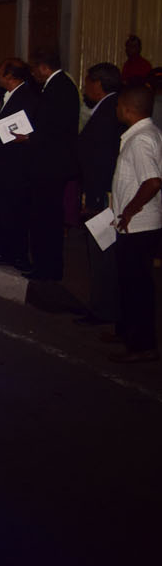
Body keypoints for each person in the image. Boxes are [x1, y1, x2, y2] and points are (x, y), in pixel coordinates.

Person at [108, 84, 162, 363]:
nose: (116, 110)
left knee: (138, 286)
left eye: (118, 106)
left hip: (138, 225)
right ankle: (128, 331)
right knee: (129, 282)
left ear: (128, 109)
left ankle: (142, 345)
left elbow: (152, 181)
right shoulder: (144, 133)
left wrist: (129, 210)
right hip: (135, 223)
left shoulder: (141, 139)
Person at [28, 50, 81, 281]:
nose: (32, 73)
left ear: (44, 67)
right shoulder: (60, 85)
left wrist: (28, 137)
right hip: (51, 164)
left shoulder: (58, 88)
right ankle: (45, 266)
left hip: (51, 165)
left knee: (46, 218)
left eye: (34, 68)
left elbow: (51, 129)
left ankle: (47, 269)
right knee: (45, 217)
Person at [77, 63, 122, 327]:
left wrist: (92, 199)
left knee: (103, 253)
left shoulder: (108, 112)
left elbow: (100, 160)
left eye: (88, 82)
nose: (85, 87)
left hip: (102, 196)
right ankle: (103, 306)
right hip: (102, 192)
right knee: (103, 253)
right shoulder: (108, 108)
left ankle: (103, 309)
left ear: (98, 84)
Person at [0, 58, 39, 271]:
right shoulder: (9, 96)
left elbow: (26, 131)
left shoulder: (27, 97)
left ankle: (17, 254)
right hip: (2, 165)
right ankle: (5, 250)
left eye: (1, 72)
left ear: (11, 76)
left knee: (14, 212)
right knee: (1, 210)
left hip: (15, 166)